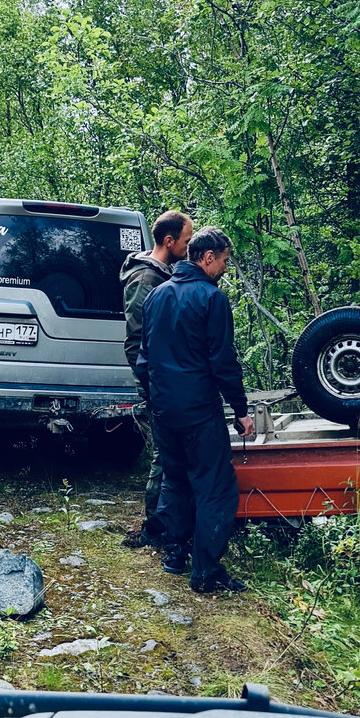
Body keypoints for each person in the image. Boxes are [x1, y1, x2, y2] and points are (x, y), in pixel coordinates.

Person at [135, 226, 254, 593]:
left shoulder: (156, 296)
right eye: (223, 261)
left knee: (176, 479)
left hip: (165, 410)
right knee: (214, 487)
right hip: (199, 410)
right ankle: (206, 572)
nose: (224, 268)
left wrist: (156, 400)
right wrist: (240, 409)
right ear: (207, 258)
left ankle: (174, 553)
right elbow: (222, 361)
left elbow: (143, 359)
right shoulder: (211, 299)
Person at [121, 210, 193, 548]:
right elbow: (137, 340)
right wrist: (151, 387)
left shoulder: (164, 274)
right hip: (155, 382)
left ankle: (167, 522)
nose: (190, 246)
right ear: (169, 241)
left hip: (166, 379)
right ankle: (154, 527)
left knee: (170, 452)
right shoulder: (145, 281)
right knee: (163, 453)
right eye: (187, 241)